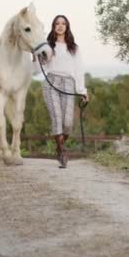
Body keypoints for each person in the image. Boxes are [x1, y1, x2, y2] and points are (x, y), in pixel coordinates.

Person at [33, 15, 88, 168]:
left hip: (69, 84)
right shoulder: (47, 47)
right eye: (57, 23)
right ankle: (63, 152)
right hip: (51, 83)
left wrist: (82, 91)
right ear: (53, 26)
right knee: (57, 118)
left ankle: (59, 146)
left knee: (68, 123)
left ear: (67, 26)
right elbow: (37, 71)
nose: (60, 26)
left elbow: (79, 71)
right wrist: (34, 57)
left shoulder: (74, 48)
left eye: (63, 23)